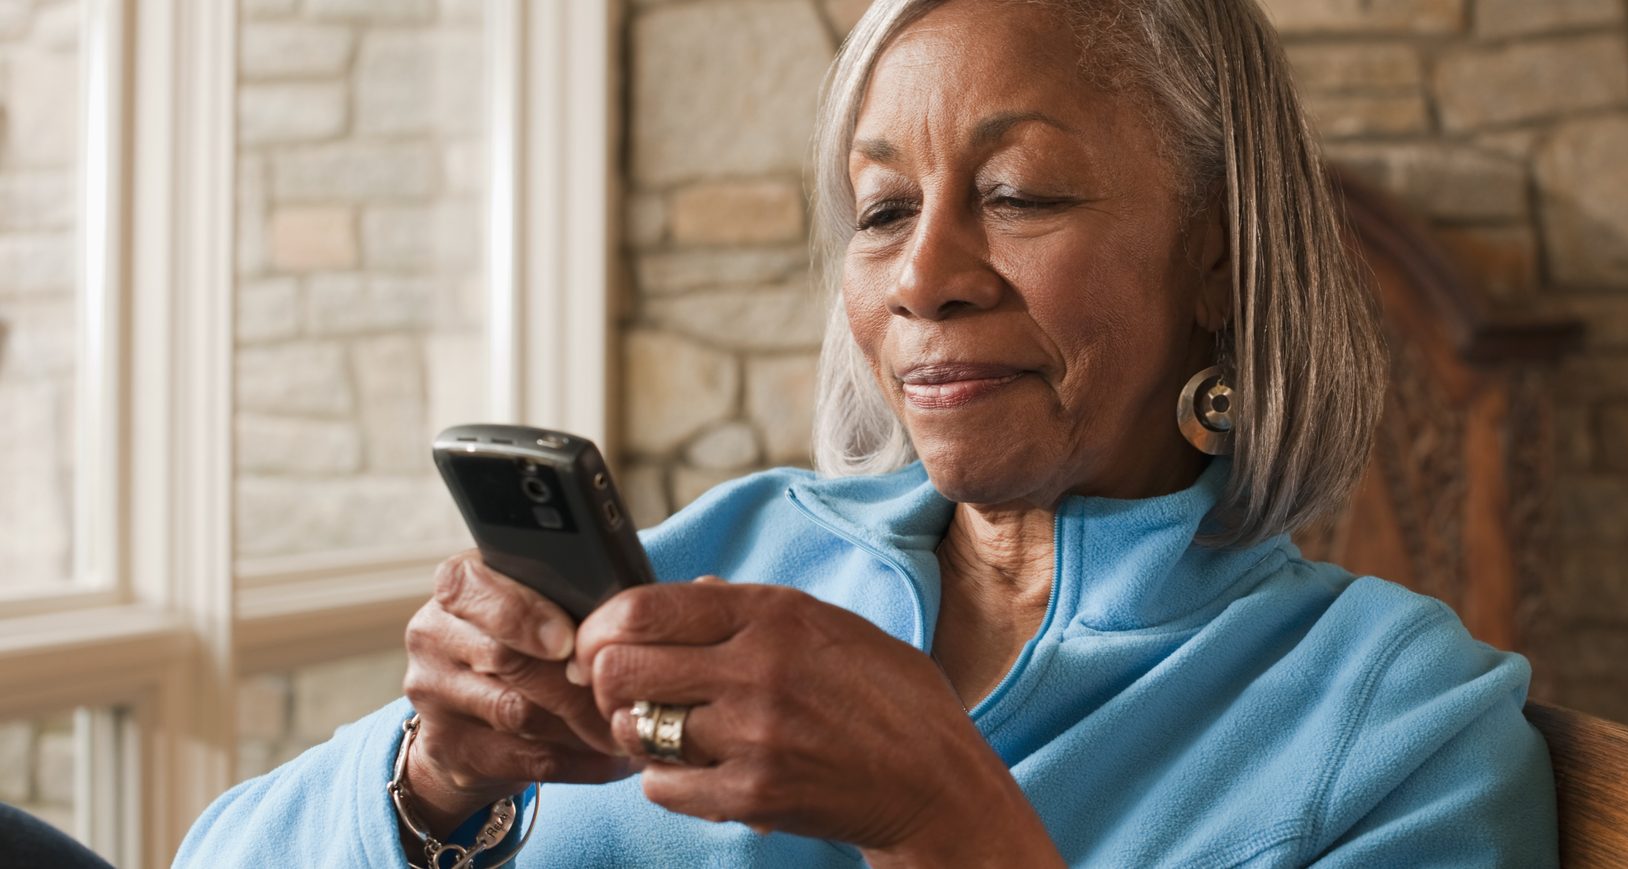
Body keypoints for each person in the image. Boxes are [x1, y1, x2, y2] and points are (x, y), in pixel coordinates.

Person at [177, 0, 1558, 864]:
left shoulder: (1398, 725)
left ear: (1219, 256)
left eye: (1019, 194)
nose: (922, 275)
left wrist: (943, 822)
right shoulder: (734, 545)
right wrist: (435, 782)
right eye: (883, 209)